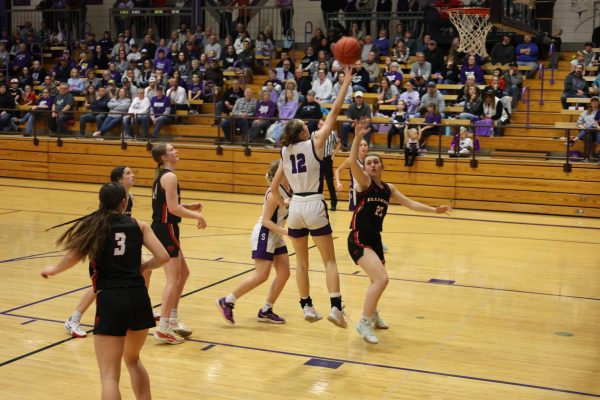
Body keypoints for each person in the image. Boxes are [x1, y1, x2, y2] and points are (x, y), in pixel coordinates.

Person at [41, 182, 170, 399]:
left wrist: (54, 269)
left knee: (109, 376)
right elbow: (163, 257)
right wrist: (145, 267)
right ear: (124, 202)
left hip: (111, 299)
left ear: (101, 202)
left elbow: (73, 255)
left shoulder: (95, 226)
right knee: (134, 361)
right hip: (139, 298)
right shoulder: (139, 225)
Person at [347, 119, 451, 343]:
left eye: (376, 162)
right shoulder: (363, 184)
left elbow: (411, 204)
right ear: (365, 168)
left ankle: (372, 313)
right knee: (381, 279)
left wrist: (435, 210)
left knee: (377, 279)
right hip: (358, 237)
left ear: (382, 167)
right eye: (369, 162)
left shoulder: (388, 188)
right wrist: (356, 138)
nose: (373, 165)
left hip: (374, 238)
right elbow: (351, 161)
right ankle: (363, 322)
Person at [268, 66, 353, 328]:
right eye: (305, 125)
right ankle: (336, 308)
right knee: (329, 260)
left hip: (295, 208)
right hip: (314, 203)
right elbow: (335, 112)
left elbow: (273, 186)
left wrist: (284, 203)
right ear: (303, 133)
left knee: (302, 264)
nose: (309, 126)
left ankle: (306, 306)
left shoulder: (284, 152)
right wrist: (346, 82)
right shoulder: (315, 142)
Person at [63, 167, 140, 338]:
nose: (133, 175)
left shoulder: (128, 200)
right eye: (128, 173)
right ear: (119, 180)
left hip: (119, 252)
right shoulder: (110, 203)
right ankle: (73, 319)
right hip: (104, 253)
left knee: (140, 273)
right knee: (99, 287)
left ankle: (139, 308)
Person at [217, 160, 291, 325]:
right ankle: (227, 301)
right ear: (282, 173)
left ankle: (266, 310)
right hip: (265, 233)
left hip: (276, 234)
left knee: (284, 273)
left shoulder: (289, 189)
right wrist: (287, 232)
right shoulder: (274, 193)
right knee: (261, 275)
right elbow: (266, 221)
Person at [151, 143, 207, 344]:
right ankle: (163, 327)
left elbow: (167, 205)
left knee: (183, 273)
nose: (176, 151)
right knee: (173, 279)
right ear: (164, 157)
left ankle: (172, 318)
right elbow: (173, 209)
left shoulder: (162, 176)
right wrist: (197, 215)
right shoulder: (170, 177)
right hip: (166, 229)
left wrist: (188, 206)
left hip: (165, 228)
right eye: (172, 149)